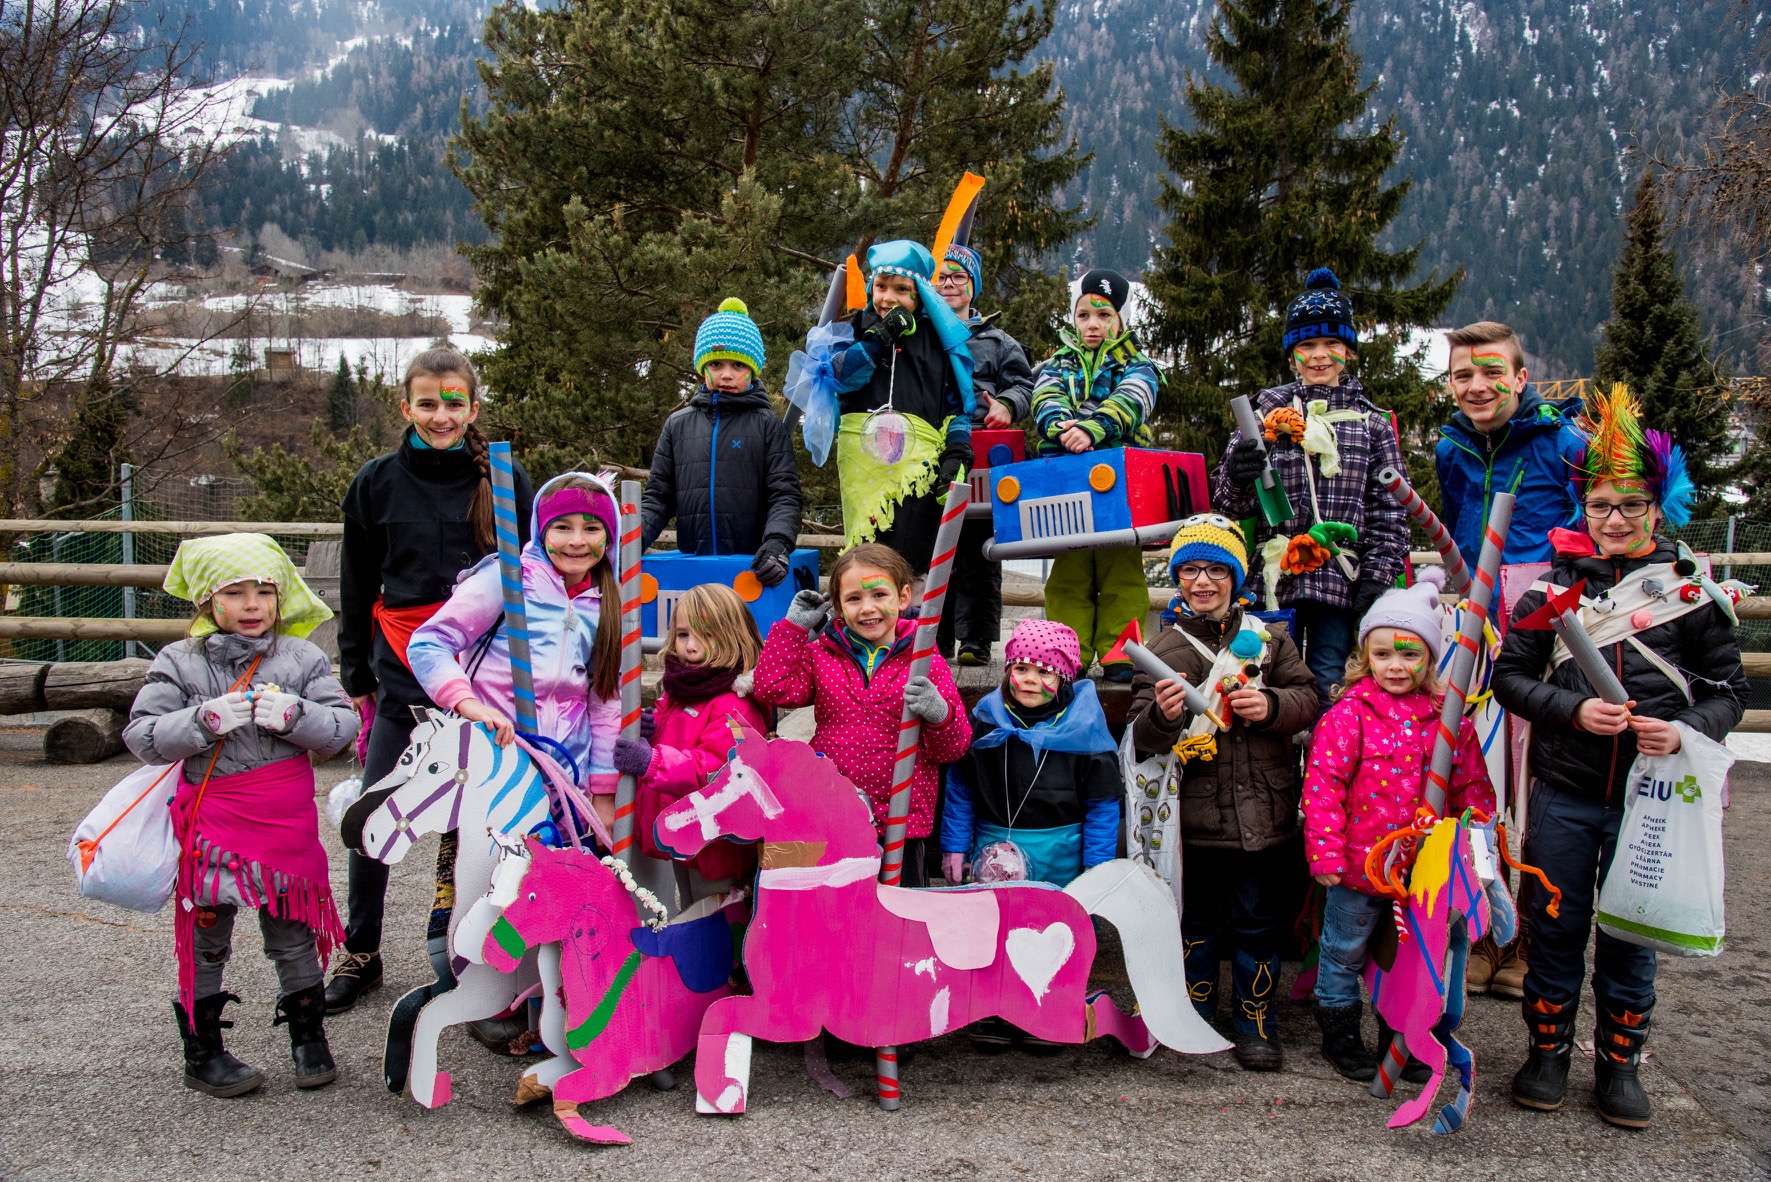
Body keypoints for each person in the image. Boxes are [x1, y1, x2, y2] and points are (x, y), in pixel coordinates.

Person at [1493, 386, 1745, 1129]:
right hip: (1565, 788)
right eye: (1600, 505)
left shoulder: (1690, 597)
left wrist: (1686, 729)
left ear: (1657, 510)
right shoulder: (1549, 589)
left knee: (1632, 930)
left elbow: (1729, 691)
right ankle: (1546, 1054)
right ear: (1584, 508)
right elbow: (1510, 679)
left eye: (1630, 505)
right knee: (1556, 924)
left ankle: (1620, 1066)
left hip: (1650, 795)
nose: (1613, 519)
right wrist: (1572, 710)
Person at [331, 347, 534, 1012]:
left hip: (484, 674)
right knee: (378, 808)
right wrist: (355, 668)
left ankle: (462, 950)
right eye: (427, 403)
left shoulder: (503, 479)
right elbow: (357, 581)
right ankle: (360, 949)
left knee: (479, 823)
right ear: (406, 407)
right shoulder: (375, 482)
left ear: (472, 408)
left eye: (453, 403)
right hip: (401, 672)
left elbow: (533, 571)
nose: (440, 415)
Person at [123, 534, 358, 1097]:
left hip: (284, 823)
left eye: (264, 592)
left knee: (293, 932)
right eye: (235, 592)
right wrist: (201, 721)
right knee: (207, 936)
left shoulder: (303, 658)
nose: (252, 605)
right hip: (213, 825)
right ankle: (203, 1052)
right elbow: (143, 736)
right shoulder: (177, 662)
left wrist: (297, 716)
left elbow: (342, 728)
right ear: (208, 600)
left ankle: (309, 1039)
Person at [1126, 515, 1317, 1071]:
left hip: (1261, 816)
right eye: (1190, 570)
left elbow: (1308, 699)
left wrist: (1272, 706)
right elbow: (1140, 735)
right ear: (1177, 578)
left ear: (1235, 576)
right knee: (1196, 927)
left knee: (1258, 926)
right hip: (1194, 823)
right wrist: (1162, 718)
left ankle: (1256, 1020)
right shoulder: (1162, 648)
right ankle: (1195, 1012)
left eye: (1216, 570)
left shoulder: (1270, 639)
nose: (1203, 581)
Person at [1301, 570, 1494, 1082]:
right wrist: (1325, 855)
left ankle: (1399, 1038)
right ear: (1366, 656)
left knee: (1410, 958)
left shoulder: (1449, 722)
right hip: (1359, 866)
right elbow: (1323, 789)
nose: (1396, 666)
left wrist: (1476, 852)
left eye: (1410, 654)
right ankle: (1340, 1033)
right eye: (1383, 654)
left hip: (1423, 873)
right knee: (1344, 952)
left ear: (1429, 658)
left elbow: (1472, 791)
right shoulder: (1349, 716)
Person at [1211, 268, 1409, 708]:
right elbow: (1227, 504)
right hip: (1272, 578)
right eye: (1307, 345)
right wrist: (1237, 473)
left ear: (1348, 351)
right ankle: (1275, 755)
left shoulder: (1371, 424)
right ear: (1292, 354)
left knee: (1329, 682)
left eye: (1331, 343)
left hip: (1340, 578)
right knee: (1264, 680)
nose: (1319, 355)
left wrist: (1377, 577)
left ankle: (1325, 754)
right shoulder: (1261, 416)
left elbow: (1390, 512)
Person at [751, 543, 971, 886]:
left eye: (879, 594)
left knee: (897, 912)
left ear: (903, 597)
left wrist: (940, 714)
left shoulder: (925, 660)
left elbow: (952, 749)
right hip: (832, 815)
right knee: (835, 908)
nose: (867, 608)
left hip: (900, 823)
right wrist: (794, 628)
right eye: (854, 599)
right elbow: (772, 689)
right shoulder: (821, 655)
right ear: (838, 607)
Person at [406, 473, 624, 816]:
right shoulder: (506, 579)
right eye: (562, 527)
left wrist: (604, 791)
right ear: (542, 530)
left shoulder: (605, 603)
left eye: (592, 528)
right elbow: (428, 643)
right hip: (493, 768)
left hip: (568, 779)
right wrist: (467, 704)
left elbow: (605, 700)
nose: (577, 541)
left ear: (609, 537)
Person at [1032, 268, 1162, 679]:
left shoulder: (1138, 365)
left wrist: (1094, 428)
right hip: (1067, 480)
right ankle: (1065, 654)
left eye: (1104, 316)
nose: (1093, 324)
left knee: (1121, 570)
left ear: (1120, 320)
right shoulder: (1057, 364)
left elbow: (1133, 399)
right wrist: (1060, 427)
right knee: (1068, 572)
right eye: (1084, 315)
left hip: (1119, 483)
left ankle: (1122, 654)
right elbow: (1044, 397)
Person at [829, 241, 975, 576]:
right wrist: (879, 338)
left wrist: (957, 452)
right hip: (863, 462)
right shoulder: (857, 328)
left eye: (901, 289)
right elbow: (840, 378)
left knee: (912, 557)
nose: (888, 298)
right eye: (881, 287)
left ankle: (911, 610)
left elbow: (956, 406)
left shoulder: (938, 341)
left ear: (919, 294)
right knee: (867, 553)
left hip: (918, 467)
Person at [616, 583, 769, 901]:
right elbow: (676, 731)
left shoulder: (735, 704)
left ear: (733, 635)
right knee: (688, 907)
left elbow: (717, 770)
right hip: (686, 834)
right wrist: (651, 728)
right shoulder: (685, 689)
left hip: (716, 843)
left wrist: (652, 762)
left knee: (715, 913)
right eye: (683, 634)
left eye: (705, 635)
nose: (691, 646)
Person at [942, 618, 1120, 888]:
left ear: (1064, 677)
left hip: (1062, 869)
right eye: (1021, 668)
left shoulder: (1085, 731)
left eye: (1044, 671)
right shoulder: (985, 722)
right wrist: (954, 847)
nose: (1029, 679)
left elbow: (1102, 806)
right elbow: (961, 789)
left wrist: (1097, 867)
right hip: (992, 865)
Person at [639, 297, 803, 587]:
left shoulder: (767, 425)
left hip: (750, 570)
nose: (726, 374)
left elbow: (784, 495)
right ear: (702, 367)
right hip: (694, 570)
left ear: (753, 369)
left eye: (738, 365)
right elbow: (658, 499)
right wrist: (630, 540)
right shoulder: (677, 425)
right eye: (716, 364)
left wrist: (778, 542)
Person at [933, 244, 1035, 665]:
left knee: (979, 550)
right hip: (930, 453)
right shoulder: (920, 334)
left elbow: (1025, 386)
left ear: (973, 285)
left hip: (983, 454)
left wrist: (1007, 404)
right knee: (934, 549)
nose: (950, 284)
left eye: (959, 276)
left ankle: (976, 639)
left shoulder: (998, 342)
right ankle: (934, 639)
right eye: (941, 277)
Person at [1436, 321, 1586, 564]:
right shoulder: (1449, 452)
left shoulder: (1568, 446)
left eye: (1493, 373)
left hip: (1549, 588)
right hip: (1473, 589)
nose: (1476, 387)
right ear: (1452, 384)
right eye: (1464, 376)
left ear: (1520, 379)